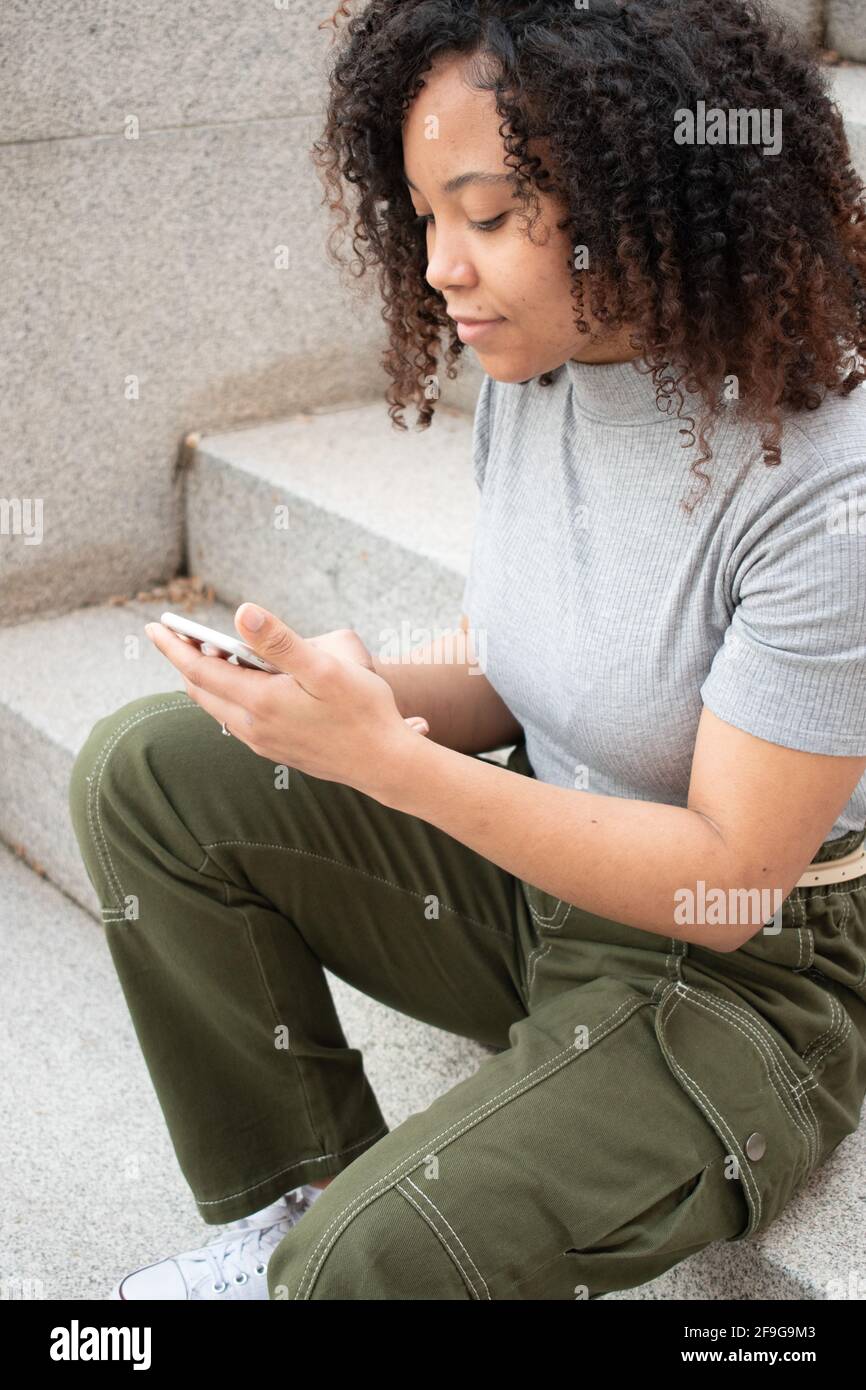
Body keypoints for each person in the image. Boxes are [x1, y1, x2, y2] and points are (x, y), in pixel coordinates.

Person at [68, 0, 866, 1300]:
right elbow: (518, 664)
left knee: (360, 1273)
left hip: (739, 979)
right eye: (424, 215)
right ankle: (296, 1186)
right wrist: (342, 701)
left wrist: (395, 765)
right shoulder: (542, 369)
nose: (440, 265)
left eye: (487, 217)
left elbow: (731, 872)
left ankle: (333, 1242)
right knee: (148, 769)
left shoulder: (827, 479)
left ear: (640, 189)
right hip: (538, 875)